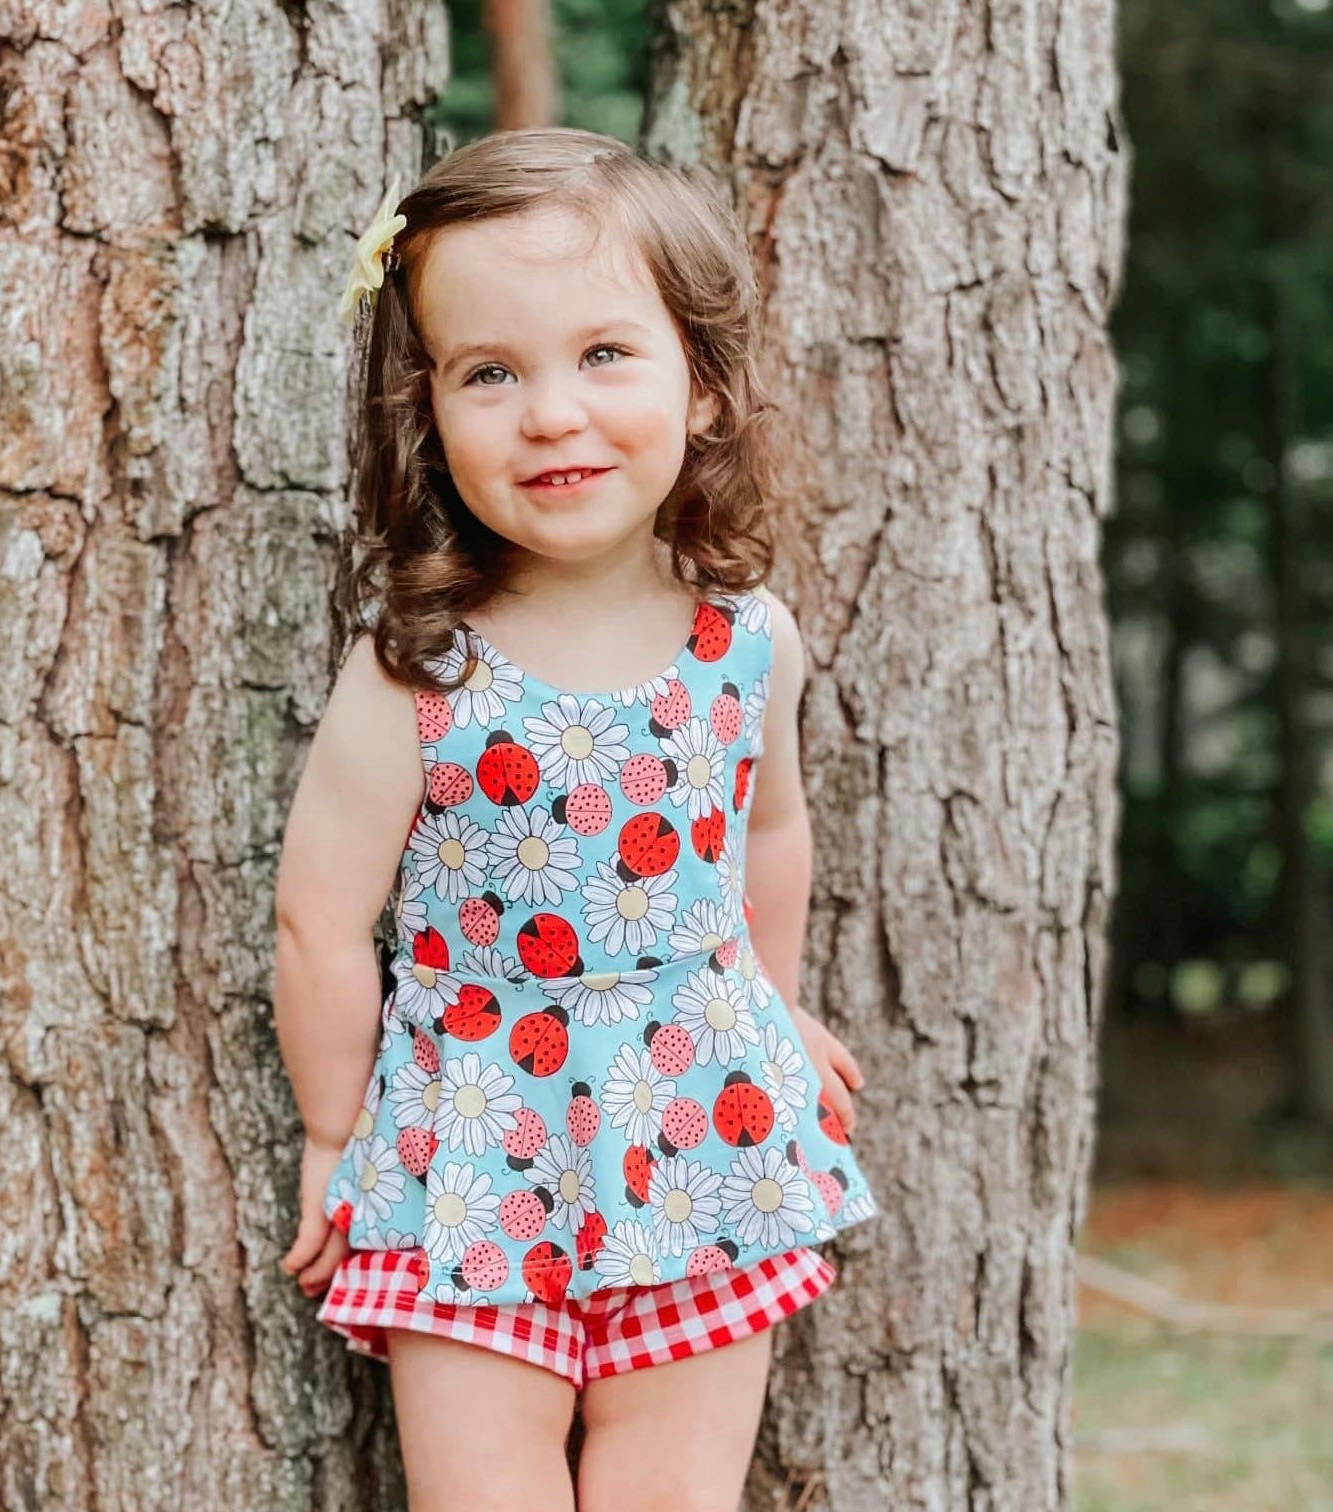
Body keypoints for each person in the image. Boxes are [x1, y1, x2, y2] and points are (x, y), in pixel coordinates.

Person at [274, 126, 879, 1511]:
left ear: (703, 386)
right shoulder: (420, 667)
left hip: (707, 1122)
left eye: (605, 354)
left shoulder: (747, 641)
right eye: (491, 373)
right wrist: (330, 1134)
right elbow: (320, 918)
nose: (551, 414)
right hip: (472, 1145)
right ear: (430, 413)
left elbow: (767, 833)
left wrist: (768, 1004)